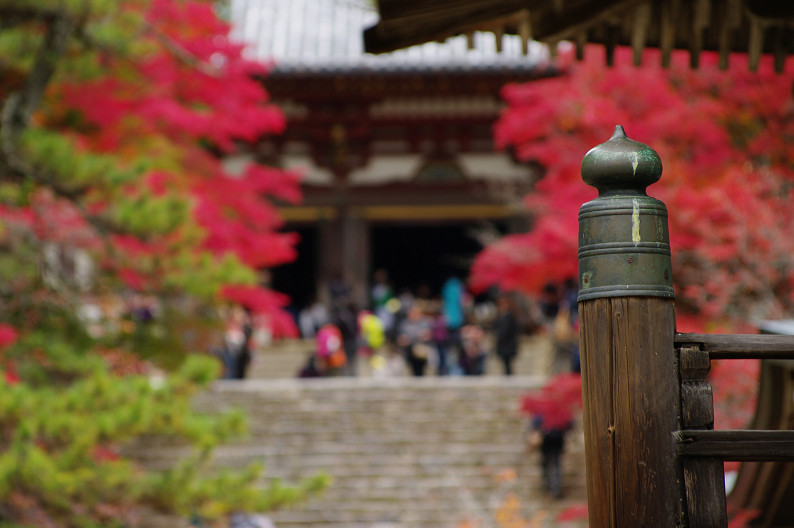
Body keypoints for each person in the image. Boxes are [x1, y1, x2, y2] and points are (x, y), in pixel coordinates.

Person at [396, 304, 433, 376]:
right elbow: (399, 338)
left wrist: (423, 336)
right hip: (408, 350)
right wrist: (404, 339)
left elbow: (429, 334)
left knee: (421, 369)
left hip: (421, 350)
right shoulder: (405, 323)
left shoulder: (424, 322)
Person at [494, 295, 519, 375]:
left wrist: (499, 336)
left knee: (508, 365)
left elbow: (505, 331)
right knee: (505, 365)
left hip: (508, 345)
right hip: (504, 346)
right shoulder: (501, 316)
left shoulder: (509, 316)